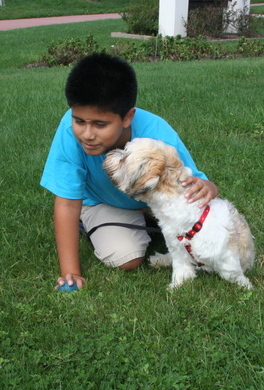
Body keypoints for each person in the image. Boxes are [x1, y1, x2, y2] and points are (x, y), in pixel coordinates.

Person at [40, 53, 218, 290]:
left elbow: (192, 183)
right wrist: (70, 272)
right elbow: (67, 203)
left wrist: (210, 187)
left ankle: (151, 225)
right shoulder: (68, 131)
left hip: (155, 200)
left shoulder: (157, 134)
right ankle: (94, 222)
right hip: (104, 201)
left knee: (207, 240)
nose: (87, 134)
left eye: (100, 124)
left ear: (127, 117)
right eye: (79, 121)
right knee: (127, 258)